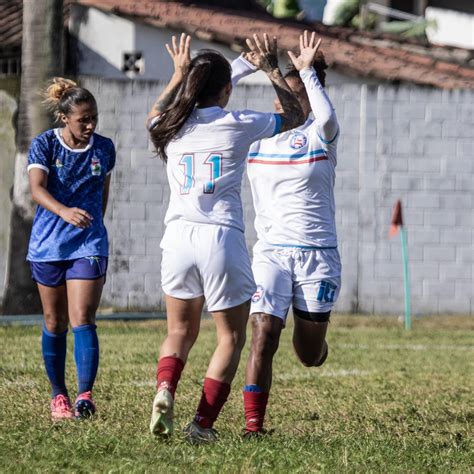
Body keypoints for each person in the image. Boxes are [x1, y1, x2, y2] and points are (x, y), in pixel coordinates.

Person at [146, 33, 304, 443]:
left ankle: (165, 388)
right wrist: (268, 68)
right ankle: (201, 426)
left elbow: (155, 112)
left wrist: (181, 74)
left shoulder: (171, 125)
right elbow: (294, 115)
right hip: (220, 240)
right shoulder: (237, 124)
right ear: (227, 90)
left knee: (179, 332)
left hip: (177, 237)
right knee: (230, 337)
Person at [232, 31, 341, 436]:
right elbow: (209, 98)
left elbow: (326, 116)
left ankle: (315, 342)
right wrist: (250, 65)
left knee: (309, 354)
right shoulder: (258, 137)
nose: (279, 98)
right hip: (271, 253)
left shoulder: (320, 134)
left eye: (289, 93)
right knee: (262, 331)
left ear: (308, 98)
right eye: (277, 92)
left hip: (318, 255)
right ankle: (253, 425)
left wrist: (308, 72)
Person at [27, 78, 115, 420]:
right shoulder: (44, 144)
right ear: (65, 117)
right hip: (48, 244)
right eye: (83, 119)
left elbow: (103, 193)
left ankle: (85, 397)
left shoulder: (105, 147)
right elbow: (36, 189)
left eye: (94, 117)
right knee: (54, 320)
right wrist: (63, 211)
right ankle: (58, 395)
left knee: (83, 318)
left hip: (89, 243)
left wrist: (94, 228)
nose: (91, 125)